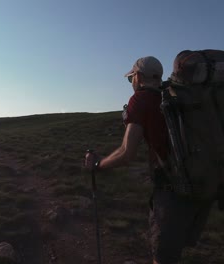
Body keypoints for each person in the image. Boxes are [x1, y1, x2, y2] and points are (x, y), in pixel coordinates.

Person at [85, 56, 212, 264]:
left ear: (139, 76)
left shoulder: (141, 99)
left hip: (173, 188)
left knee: (163, 258)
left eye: (131, 78)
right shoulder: (174, 96)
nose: (132, 83)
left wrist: (98, 165)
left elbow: (127, 152)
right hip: (204, 181)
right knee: (174, 251)